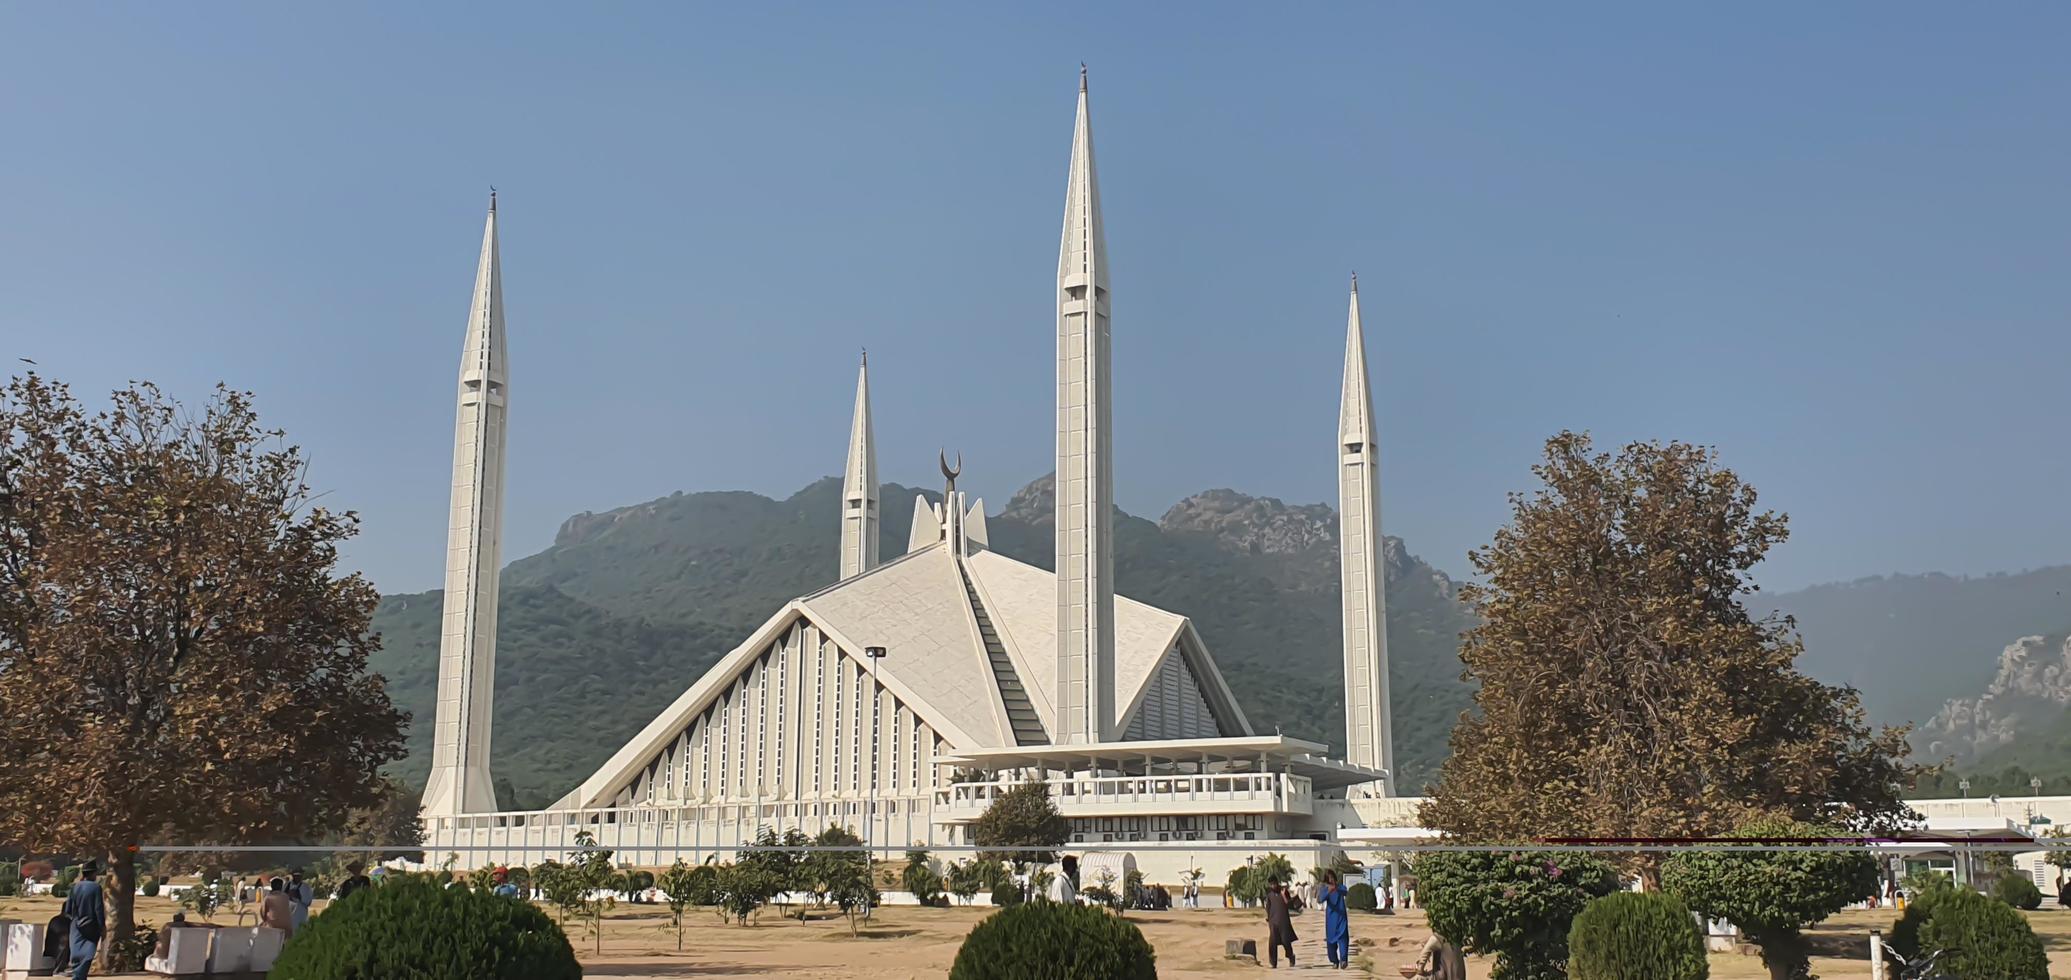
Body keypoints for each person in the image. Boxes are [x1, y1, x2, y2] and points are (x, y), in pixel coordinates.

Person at [62, 862, 104, 980]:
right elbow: (98, 909)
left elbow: (68, 909)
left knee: (76, 954)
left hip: (76, 927)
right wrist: (102, 928)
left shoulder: (75, 887)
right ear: (93, 873)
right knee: (88, 955)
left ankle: (77, 976)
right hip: (91, 927)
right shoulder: (96, 888)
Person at [1263, 879, 1297, 969]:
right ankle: (1273, 963)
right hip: (1273, 922)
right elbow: (1268, 908)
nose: (1273, 886)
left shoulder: (1284, 892)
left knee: (1286, 941)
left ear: (1277, 883)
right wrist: (1269, 919)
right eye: (1271, 884)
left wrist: (1284, 895)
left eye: (1274, 884)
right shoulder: (1269, 895)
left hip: (1284, 921)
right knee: (1272, 942)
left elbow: (1290, 905)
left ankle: (1291, 957)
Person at [1319, 870, 1350, 970]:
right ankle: (1334, 961)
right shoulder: (1325, 889)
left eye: (1332, 877)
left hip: (1341, 919)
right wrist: (1328, 891)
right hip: (1331, 919)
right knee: (1331, 942)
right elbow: (1320, 899)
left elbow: (1345, 892)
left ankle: (1343, 960)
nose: (1331, 880)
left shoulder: (1340, 887)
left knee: (1343, 940)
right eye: (1329, 879)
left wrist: (1336, 889)